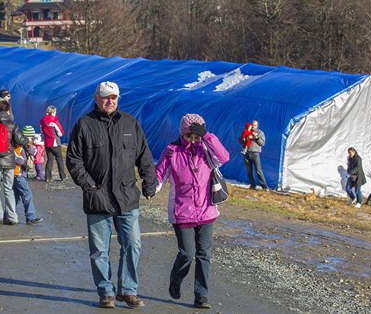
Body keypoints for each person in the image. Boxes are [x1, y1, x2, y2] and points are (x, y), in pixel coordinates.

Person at [66, 81, 157, 309]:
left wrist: (149, 181)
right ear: (97, 98)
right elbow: (74, 160)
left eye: (114, 97)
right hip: (98, 198)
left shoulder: (130, 123)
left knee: (133, 244)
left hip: (127, 197)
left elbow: (144, 155)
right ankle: (106, 292)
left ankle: (128, 290)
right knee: (99, 250)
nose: (110, 101)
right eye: (106, 97)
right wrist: (89, 186)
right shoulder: (85, 125)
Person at [154, 113, 230, 309]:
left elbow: (224, 157)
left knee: (204, 254)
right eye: (190, 136)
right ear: (182, 134)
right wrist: (150, 189)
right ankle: (176, 279)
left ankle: (201, 295)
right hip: (182, 212)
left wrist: (207, 136)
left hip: (206, 211)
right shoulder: (172, 150)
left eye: (197, 136)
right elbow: (159, 174)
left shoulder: (206, 149)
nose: (193, 140)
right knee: (187, 253)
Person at [0, 100, 27, 224]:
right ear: (8, 110)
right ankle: (12, 217)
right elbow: (20, 140)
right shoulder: (12, 124)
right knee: (8, 188)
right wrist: (26, 140)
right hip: (8, 160)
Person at [13, 144, 43, 224]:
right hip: (17, 174)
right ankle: (30, 216)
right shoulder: (16, 148)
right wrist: (24, 164)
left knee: (15, 196)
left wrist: (28, 147)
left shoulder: (22, 147)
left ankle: (9, 215)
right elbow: (19, 160)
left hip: (18, 174)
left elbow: (34, 152)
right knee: (27, 194)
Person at [40, 105, 66, 182]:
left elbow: (42, 131)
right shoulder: (54, 122)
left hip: (47, 143)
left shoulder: (42, 121)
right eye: (55, 112)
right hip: (55, 142)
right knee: (59, 159)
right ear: (53, 112)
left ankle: (47, 177)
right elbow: (61, 133)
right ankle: (62, 176)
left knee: (49, 160)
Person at [239, 120, 268, 190]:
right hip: (246, 153)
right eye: (252, 125)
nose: (253, 127)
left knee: (258, 170)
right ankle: (253, 185)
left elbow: (262, 143)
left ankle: (264, 186)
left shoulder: (260, 133)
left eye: (255, 125)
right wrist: (247, 138)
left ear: (257, 126)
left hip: (255, 153)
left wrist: (256, 138)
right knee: (249, 171)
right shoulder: (247, 131)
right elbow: (240, 141)